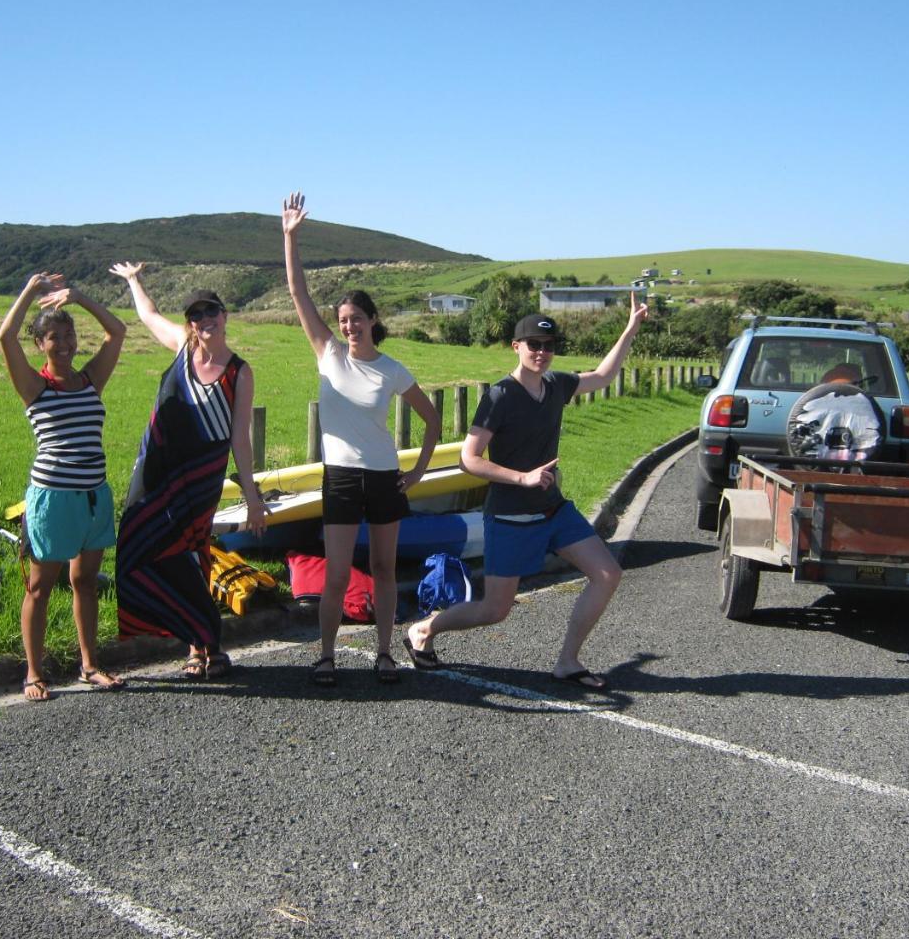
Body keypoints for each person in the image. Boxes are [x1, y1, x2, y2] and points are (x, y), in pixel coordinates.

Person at [401, 299, 648, 690]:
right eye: (533, 344)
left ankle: (568, 661)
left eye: (548, 345)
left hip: (553, 510)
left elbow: (602, 375)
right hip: (509, 516)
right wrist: (522, 478)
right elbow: (469, 458)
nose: (542, 352)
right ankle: (425, 630)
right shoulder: (500, 396)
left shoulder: (557, 385)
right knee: (494, 610)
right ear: (516, 346)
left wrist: (631, 327)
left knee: (607, 573)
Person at [282, 192, 441, 685]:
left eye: (356, 318)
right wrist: (290, 237)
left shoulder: (392, 370)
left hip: (383, 478)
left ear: (372, 321)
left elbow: (432, 421)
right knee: (335, 574)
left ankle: (386, 653)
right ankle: (326, 655)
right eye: (343, 319)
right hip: (343, 478)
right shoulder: (329, 354)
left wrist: (415, 472)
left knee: (385, 569)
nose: (349, 325)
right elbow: (297, 294)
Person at [109, 262, 266, 680]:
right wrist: (133, 281)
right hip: (156, 472)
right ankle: (189, 636)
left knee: (190, 558)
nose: (203, 320)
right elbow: (148, 315)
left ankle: (206, 646)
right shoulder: (182, 346)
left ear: (224, 315)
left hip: (200, 481)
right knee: (137, 548)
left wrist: (253, 498)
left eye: (210, 311)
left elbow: (240, 439)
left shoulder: (239, 371)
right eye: (196, 315)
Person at [0, 272, 127, 701]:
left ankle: (89, 665)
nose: (66, 343)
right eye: (55, 336)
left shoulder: (90, 380)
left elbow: (118, 331)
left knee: (85, 582)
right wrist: (30, 290)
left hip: (95, 496)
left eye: (70, 335)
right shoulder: (35, 386)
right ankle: (34, 673)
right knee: (40, 586)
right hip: (53, 500)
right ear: (41, 345)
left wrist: (80, 297)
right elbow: (5, 336)